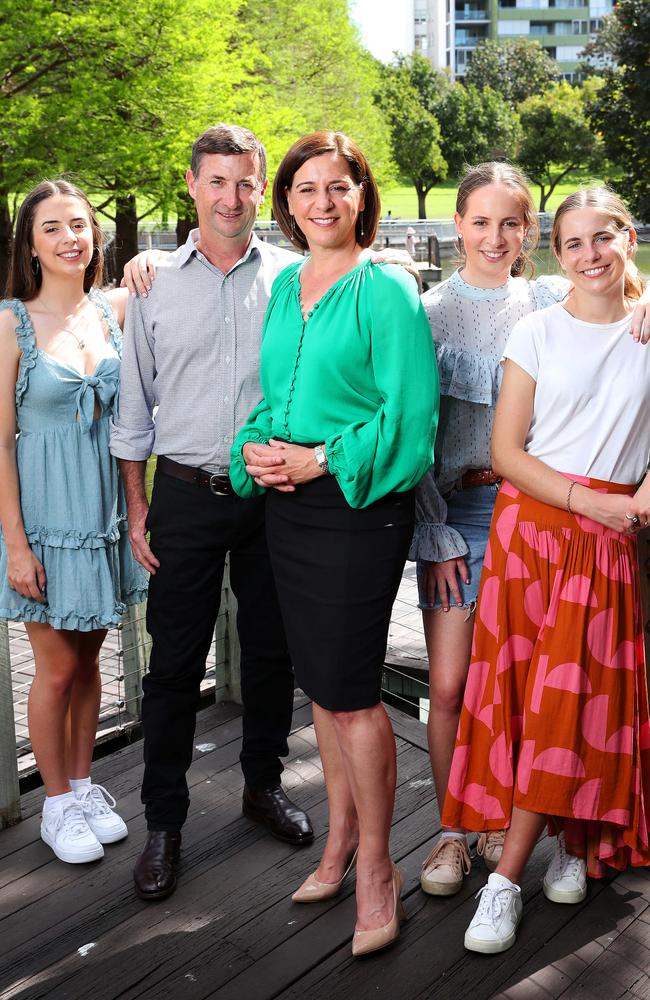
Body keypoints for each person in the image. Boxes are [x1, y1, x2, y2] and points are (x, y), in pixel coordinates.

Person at [411, 163, 650, 899]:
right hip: (462, 516)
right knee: (458, 686)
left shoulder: (546, 295)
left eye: (509, 223)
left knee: (556, 694)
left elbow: (611, 300)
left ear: (526, 235)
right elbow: (414, 432)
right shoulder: (426, 310)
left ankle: (531, 833)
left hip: (549, 508)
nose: (494, 236)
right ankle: (457, 832)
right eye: (479, 222)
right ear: (457, 226)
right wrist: (433, 531)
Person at [230, 130, 439, 957]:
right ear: (287, 203)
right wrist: (257, 447)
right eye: (307, 188)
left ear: (362, 196)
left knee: (352, 689)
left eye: (338, 187)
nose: (322, 201)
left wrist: (320, 461)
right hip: (289, 511)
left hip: (358, 511)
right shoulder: (289, 289)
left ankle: (381, 868)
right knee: (321, 685)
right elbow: (276, 394)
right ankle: (341, 843)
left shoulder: (384, 289)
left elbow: (411, 419)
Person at [110, 124, 318, 901]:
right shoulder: (152, 284)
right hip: (187, 496)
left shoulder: (299, 279)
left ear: (261, 188)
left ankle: (263, 785)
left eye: (246, 183)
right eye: (218, 182)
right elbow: (132, 412)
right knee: (171, 667)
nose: (233, 198)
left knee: (272, 654)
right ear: (193, 185)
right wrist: (137, 508)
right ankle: (164, 822)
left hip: (277, 498)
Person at [0, 180, 147, 864]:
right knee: (55, 668)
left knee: (92, 659)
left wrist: (150, 265)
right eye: (53, 228)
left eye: (80, 226)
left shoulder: (112, 309)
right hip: (46, 518)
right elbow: (0, 443)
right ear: (30, 243)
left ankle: (84, 785)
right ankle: (55, 804)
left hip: (105, 515)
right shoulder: (10, 323)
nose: (70, 239)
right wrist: (16, 546)